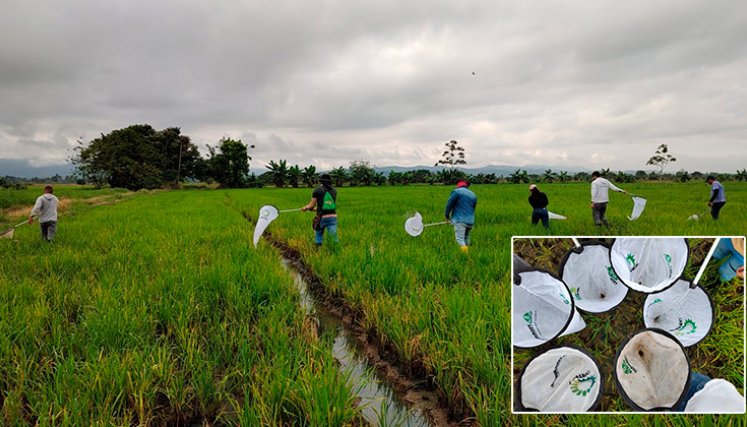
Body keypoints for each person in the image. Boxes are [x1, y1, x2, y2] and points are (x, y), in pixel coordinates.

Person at [301, 173, 338, 246]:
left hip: (322, 217)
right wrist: (314, 209)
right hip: (333, 216)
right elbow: (328, 205)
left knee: (318, 234)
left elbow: (311, 204)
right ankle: (336, 250)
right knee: (333, 235)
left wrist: (305, 208)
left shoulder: (317, 190)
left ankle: (318, 251)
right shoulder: (334, 191)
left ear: (321, 181)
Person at [444, 180, 477, 253]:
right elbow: (473, 208)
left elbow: (449, 205)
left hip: (460, 220)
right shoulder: (473, 194)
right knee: (466, 238)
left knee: (460, 239)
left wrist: (447, 216)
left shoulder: (456, 192)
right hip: (470, 221)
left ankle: (465, 255)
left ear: (458, 185)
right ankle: (468, 252)